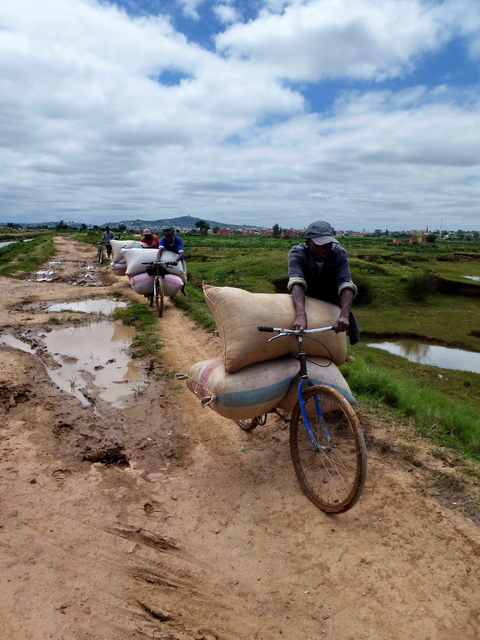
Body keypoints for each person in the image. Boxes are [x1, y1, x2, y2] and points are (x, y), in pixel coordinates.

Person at [287, 221, 360, 348]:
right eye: (319, 246)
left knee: (337, 340)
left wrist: (344, 315)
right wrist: (301, 315)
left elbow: (346, 284)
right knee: (299, 331)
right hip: (307, 297)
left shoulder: (338, 253)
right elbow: (296, 282)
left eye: (328, 245)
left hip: (332, 298)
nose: (324, 250)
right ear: (308, 243)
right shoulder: (297, 254)